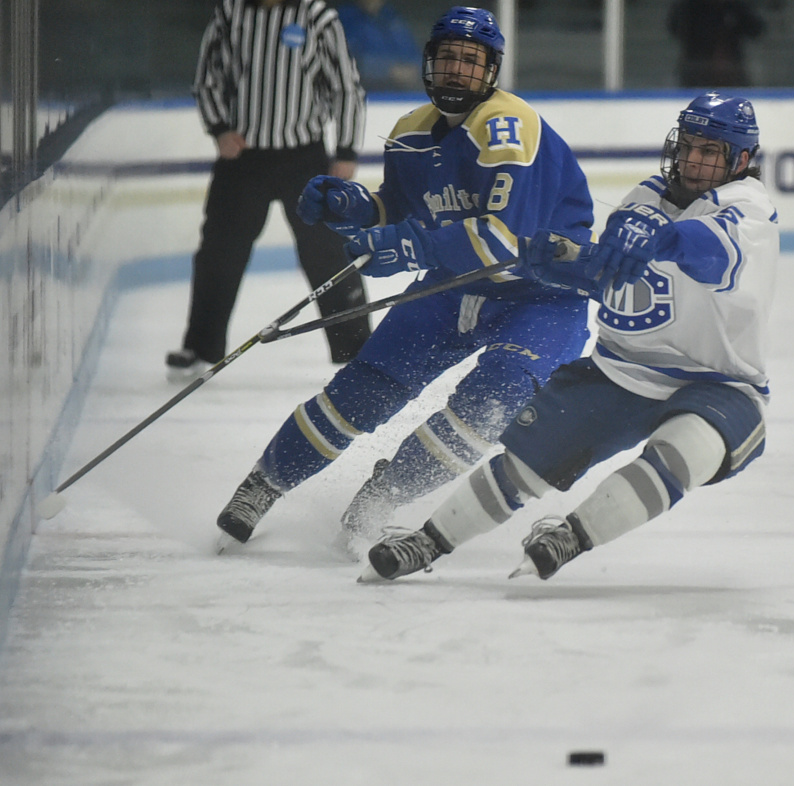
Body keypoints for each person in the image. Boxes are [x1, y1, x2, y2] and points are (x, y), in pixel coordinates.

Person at [214, 6, 595, 553]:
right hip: (450, 285)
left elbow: (506, 243)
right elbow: (403, 208)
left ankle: (385, 494)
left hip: (543, 295)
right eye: (448, 58)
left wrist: (412, 243)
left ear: (491, 70)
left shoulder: (510, 125)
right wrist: (359, 207)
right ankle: (264, 482)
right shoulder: (409, 131)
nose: (459, 69)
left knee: (496, 397)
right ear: (429, 63)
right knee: (361, 392)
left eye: (472, 60)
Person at [360, 90, 779, 582]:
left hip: (720, 385)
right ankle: (427, 541)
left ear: (742, 160)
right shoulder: (645, 196)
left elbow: (707, 249)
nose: (691, 160)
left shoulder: (749, 207)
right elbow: (614, 279)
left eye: (709, 152)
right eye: (688, 145)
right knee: (522, 465)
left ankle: (572, 536)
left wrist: (656, 237)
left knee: (689, 449)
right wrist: (559, 264)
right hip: (619, 371)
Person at [167, 0, 371, 382]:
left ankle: (356, 351)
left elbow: (346, 86)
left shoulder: (316, 15)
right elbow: (207, 78)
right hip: (243, 159)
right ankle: (200, 346)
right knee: (219, 252)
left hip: (305, 158)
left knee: (328, 251)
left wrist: (346, 151)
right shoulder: (231, 12)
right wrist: (219, 129)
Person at [667, 0, 764, 88]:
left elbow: (756, 30)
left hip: (733, 68)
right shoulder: (689, 7)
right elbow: (675, 27)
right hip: (697, 68)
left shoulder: (737, 7)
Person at [337, 0, 423, 92]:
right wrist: (388, 71)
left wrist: (414, 69)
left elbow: (413, 53)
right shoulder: (344, 19)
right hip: (364, 95)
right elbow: (346, 60)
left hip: (400, 97)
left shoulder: (392, 16)